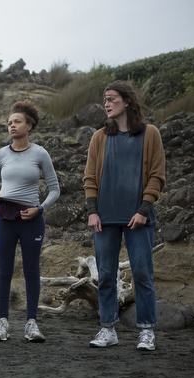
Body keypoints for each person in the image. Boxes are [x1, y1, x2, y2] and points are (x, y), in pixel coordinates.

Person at [84, 81, 166, 351]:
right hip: (104, 219)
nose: (106, 104)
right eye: (105, 99)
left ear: (127, 101)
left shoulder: (150, 133)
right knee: (106, 275)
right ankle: (108, 328)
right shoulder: (100, 137)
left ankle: (146, 331)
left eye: (112, 99)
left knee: (142, 273)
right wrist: (93, 211)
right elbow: (90, 178)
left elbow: (157, 175)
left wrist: (144, 210)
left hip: (138, 219)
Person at [0, 99, 60, 342]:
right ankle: (2, 323)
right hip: (4, 217)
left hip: (31, 218)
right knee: (4, 271)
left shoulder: (40, 153)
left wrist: (39, 209)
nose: (12, 126)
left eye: (17, 121)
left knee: (31, 271)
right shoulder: (0, 154)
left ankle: (31, 324)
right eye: (9, 123)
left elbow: (55, 189)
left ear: (30, 125)